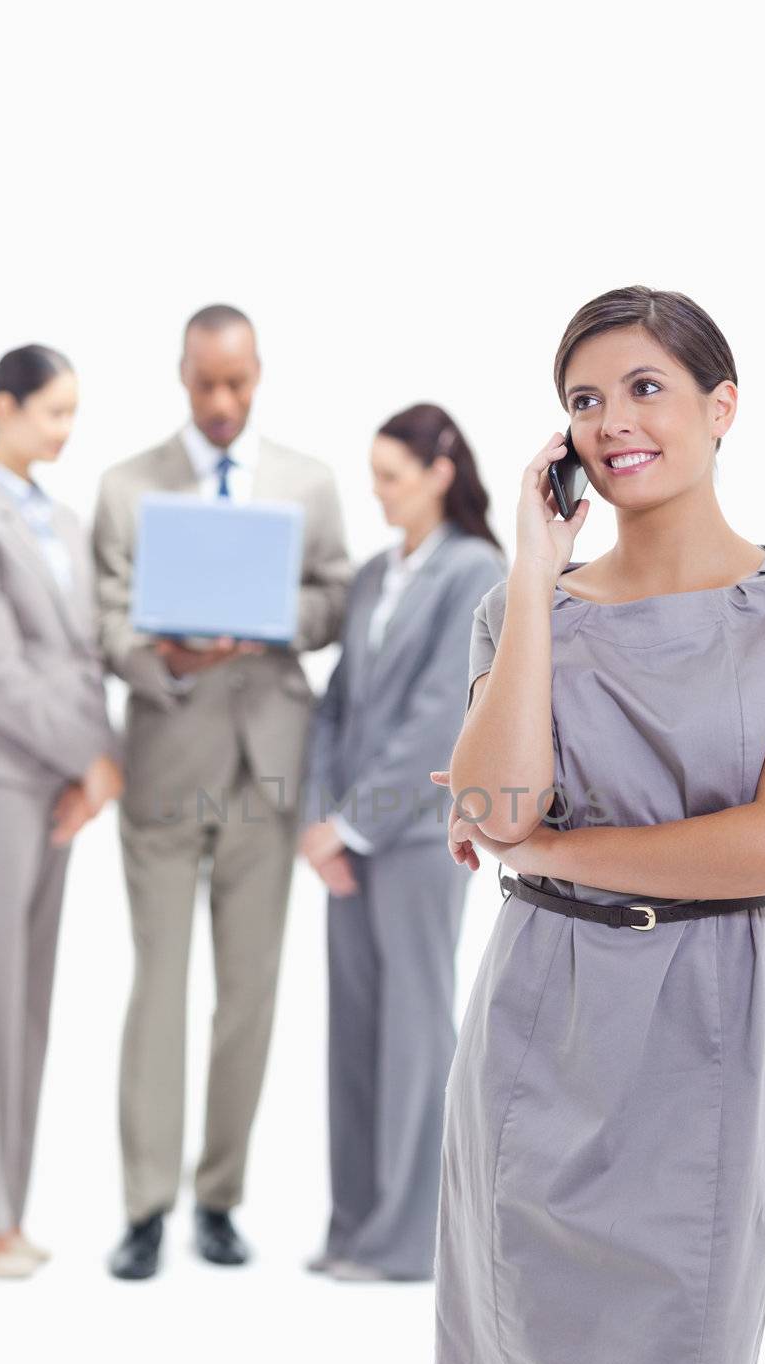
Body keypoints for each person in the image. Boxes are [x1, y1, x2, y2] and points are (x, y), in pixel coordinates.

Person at [428, 286, 765, 1364]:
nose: (613, 422)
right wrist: (525, 566)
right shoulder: (528, 615)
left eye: (643, 389)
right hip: (534, 1041)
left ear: (718, 407)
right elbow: (492, 804)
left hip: (703, 1045)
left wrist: (552, 851)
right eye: (583, 398)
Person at [93, 303, 352, 1279]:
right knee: (157, 988)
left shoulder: (308, 483)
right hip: (166, 759)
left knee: (248, 993)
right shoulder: (126, 487)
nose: (219, 402)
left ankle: (217, 1198)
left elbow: (335, 597)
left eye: (235, 384)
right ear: (180, 375)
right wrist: (165, 650)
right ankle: (143, 1207)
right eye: (203, 383)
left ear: (257, 375)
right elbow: (105, 617)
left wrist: (270, 616)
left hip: (266, 764)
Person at [0, 344, 124, 1278]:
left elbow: (84, 657)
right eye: (53, 411)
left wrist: (100, 768)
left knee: (29, 996)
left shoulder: (66, 518)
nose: (66, 429)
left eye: (73, 411)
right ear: (5, 407)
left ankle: (4, 1210)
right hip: (0, 781)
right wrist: (84, 756)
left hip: (61, 785)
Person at [297, 404, 506, 1282]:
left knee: (415, 1030)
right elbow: (335, 702)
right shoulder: (378, 576)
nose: (376, 495)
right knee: (353, 1029)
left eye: (390, 477)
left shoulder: (477, 572)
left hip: (417, 838)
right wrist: (319, 822)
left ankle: (405, 1238)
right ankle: (352, 1226)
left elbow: (438, 720)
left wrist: (350, 822)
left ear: (438, 473)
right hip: (345, 841)